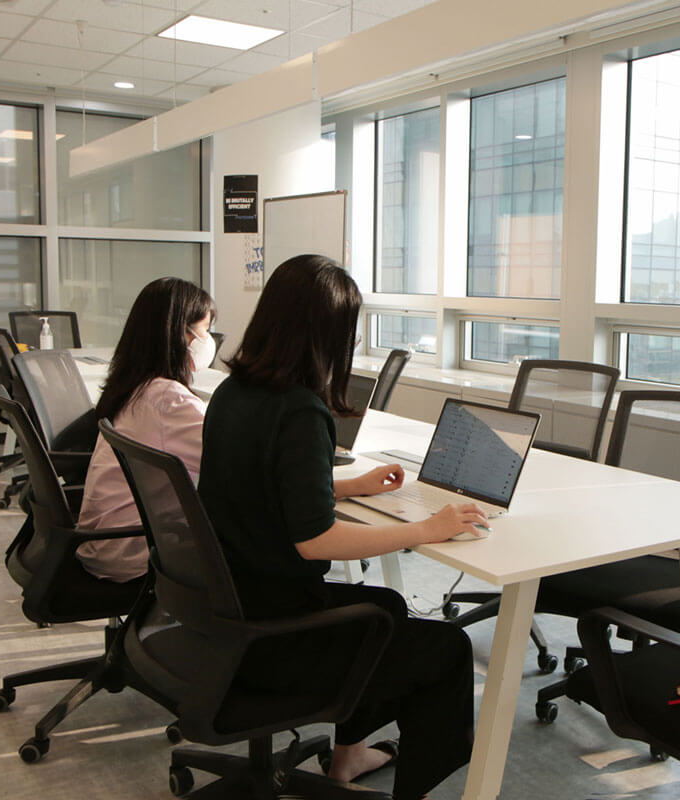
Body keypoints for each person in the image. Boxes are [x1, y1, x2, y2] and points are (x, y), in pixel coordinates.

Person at [199, 254, 481, 800]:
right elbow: (316, 541)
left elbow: (258, 487)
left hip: (230, 608)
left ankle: (348, 756)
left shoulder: (233, 393)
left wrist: (351, 485)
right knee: (447, 648)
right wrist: (427, 529)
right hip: (276, 636)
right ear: (325, 334)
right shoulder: (301, 410)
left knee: (388, 606)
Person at [75, 277, 216, 582]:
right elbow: (227, 460)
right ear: (181, 335)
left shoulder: (136, 387)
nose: (208, 340)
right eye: (205, 330)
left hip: (107, 540)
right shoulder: (167, 399)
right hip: (135, 549)